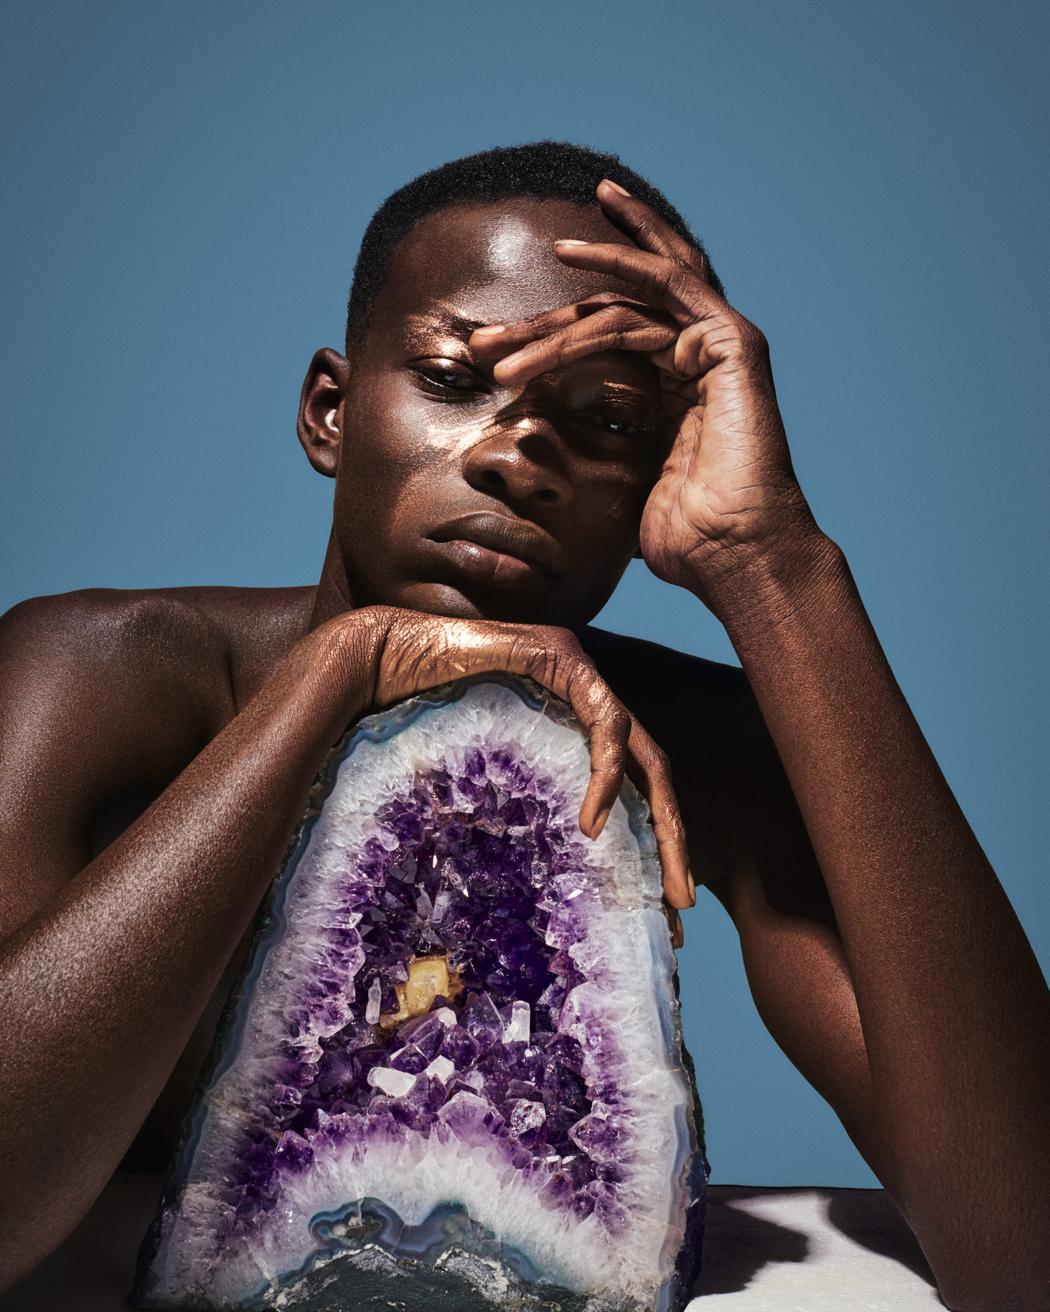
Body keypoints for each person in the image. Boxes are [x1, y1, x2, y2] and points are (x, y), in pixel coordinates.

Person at [0, 141, 1045, 1311]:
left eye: (609, 422)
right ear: (331, 412)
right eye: (454, 377)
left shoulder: (700, 747)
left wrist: (773, 560)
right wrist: (348, 664)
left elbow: (1024, 1251)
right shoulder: (97, 677)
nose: (515, 458)